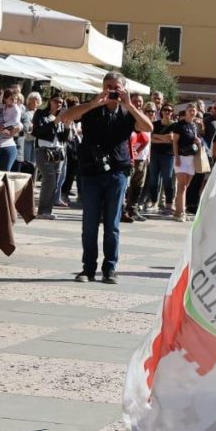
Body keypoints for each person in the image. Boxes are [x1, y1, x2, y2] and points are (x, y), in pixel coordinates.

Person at [58, 73, 152, 284]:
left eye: (116, 87)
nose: (112, 90)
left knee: (112, 224)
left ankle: (110, 269)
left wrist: (130, 104)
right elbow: (65, 117)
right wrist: (92, 104)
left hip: (117, 173)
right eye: (108, 86)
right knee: (89, 224)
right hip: (91, 173)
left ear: (124, 89)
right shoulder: (92, 109)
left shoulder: (128, 113)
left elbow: (148, 127)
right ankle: (88, 269)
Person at [32, 96, 69, 219]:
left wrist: (67, 126)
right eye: (56, 101)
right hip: (43, 150)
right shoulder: (41, 114)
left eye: (61, 102)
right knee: (49, 178)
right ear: (50, 102)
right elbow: (37, 132)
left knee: (55, 182)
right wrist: (55, 122)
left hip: (58, 151)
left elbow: (63, 138)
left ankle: (47, 210)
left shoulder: (62, 117)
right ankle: (42, 211)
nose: (58, 104)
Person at [123, 93, 151, 223]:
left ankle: (132, 210)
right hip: (128, 158)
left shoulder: (143, 117)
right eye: (135, 101)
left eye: (140, 101)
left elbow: (146, 139)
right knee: (127, 186)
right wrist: (133, 152)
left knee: (138, 186)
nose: (138, 103)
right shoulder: (126, 116)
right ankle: (122, 211)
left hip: (142, 158)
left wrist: (144, 153)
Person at [144, 104, 177, 215]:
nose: (167, 112)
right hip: (155, 154)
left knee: (167, 179)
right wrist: (165, 138)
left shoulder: (175, 125)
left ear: (172, 112)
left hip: (168, 155)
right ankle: (154, 203)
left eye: (169, 110)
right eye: (165, 110)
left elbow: (172, 138)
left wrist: (159, 137)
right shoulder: (155, 124)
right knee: (153, 179)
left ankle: (168, 204)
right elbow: (151, 139)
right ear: (161, 111)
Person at [170, 104, 200, 222]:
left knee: (185, 186)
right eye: (190, 110)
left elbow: (195, 141)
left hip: (192, 158)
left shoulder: (194, 126)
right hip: (181, 157)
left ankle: (178, 211)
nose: (192, 112)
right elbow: (175, 142)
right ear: (186, 112)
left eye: (194, 110)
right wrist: (176, 156)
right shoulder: (179, 125)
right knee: (182, 185)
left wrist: (198, 141)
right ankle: (182, 212)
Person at [19, 92, 41, 164]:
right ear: (29, 101)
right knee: (27, 162)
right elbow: (26, 127)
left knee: (34, 163)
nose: (35, 102)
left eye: (37, 100)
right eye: (33, 100)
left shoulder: (40, 113)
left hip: (37, 141)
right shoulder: (25, 113)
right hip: (27, 140)